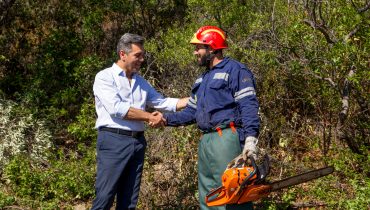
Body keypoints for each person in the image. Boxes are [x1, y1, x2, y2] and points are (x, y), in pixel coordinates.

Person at [163, 26, 260, 210]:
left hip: (227, 137)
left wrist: (250, 140)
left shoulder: (236, 70)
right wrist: (165, 119)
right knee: (208, 197)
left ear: (212, 47)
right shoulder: (202, 79)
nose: (195, 52)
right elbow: (191, 112)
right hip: (206, 141)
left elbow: (248, 106)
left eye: (198, 47)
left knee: (233, 194)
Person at [91, 33, 188, 210]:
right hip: (113, 141)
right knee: (105, 197)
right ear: (123, 54)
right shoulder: (104, 77)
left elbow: (162, 102)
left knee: (129, 201)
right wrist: (150, 117)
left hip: (137, 142)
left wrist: (195, 99)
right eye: (138, 55)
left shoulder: (141, 82)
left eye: (142, 55)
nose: (142, 59)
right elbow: (117, 109)